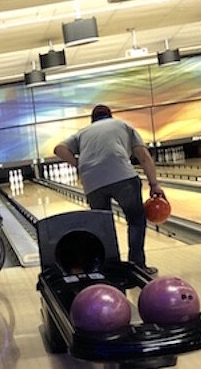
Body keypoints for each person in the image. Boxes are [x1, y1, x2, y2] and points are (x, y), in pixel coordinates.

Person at [53, 105, 166, 275]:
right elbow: (143, 156)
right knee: (135, 219)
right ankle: (137, 265)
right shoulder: (123, 125)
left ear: (92, 120)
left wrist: (79, 164)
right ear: (110, 116)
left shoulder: (82, 133)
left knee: (103, 226)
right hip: (123, 177)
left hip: (92, 183)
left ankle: (106, 267)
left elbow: (59, 149)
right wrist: (154, 184)